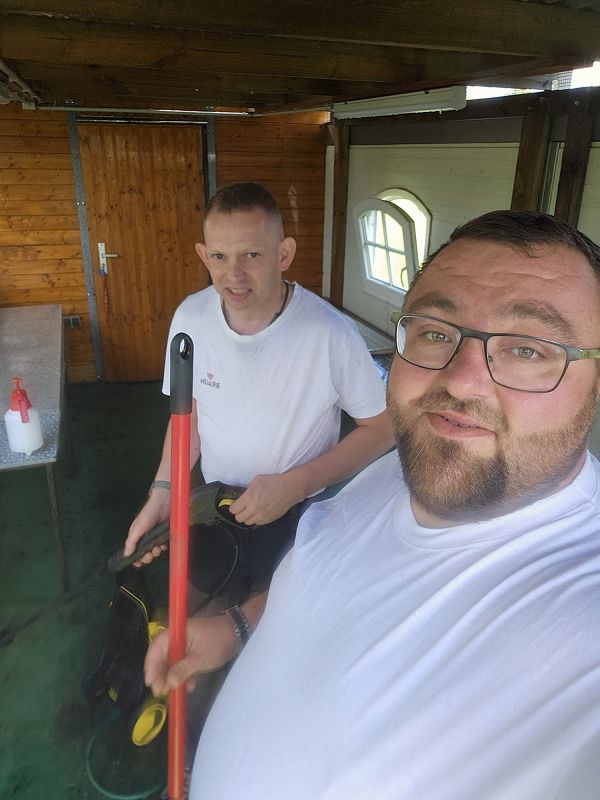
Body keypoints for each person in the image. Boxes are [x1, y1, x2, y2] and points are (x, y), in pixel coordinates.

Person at [145, 210, 600, 800]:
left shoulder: (581, 627)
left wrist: (293, 484)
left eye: (529, 349)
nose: (460, 381)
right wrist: (236, 628)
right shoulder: (399, 469)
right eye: (435, 332)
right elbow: (326, 574)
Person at [124, 181, 393, 597]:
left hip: (298, 514)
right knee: (204, 601)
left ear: (284, 254)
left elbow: (383, 428)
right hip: (213, 505)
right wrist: (164, 491)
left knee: (276, 618)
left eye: (251, 255)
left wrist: (295, 486)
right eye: (220, 256)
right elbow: (187, 416)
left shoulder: (329, 332)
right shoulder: (190, 319)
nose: (233, 275)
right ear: (204, 255)